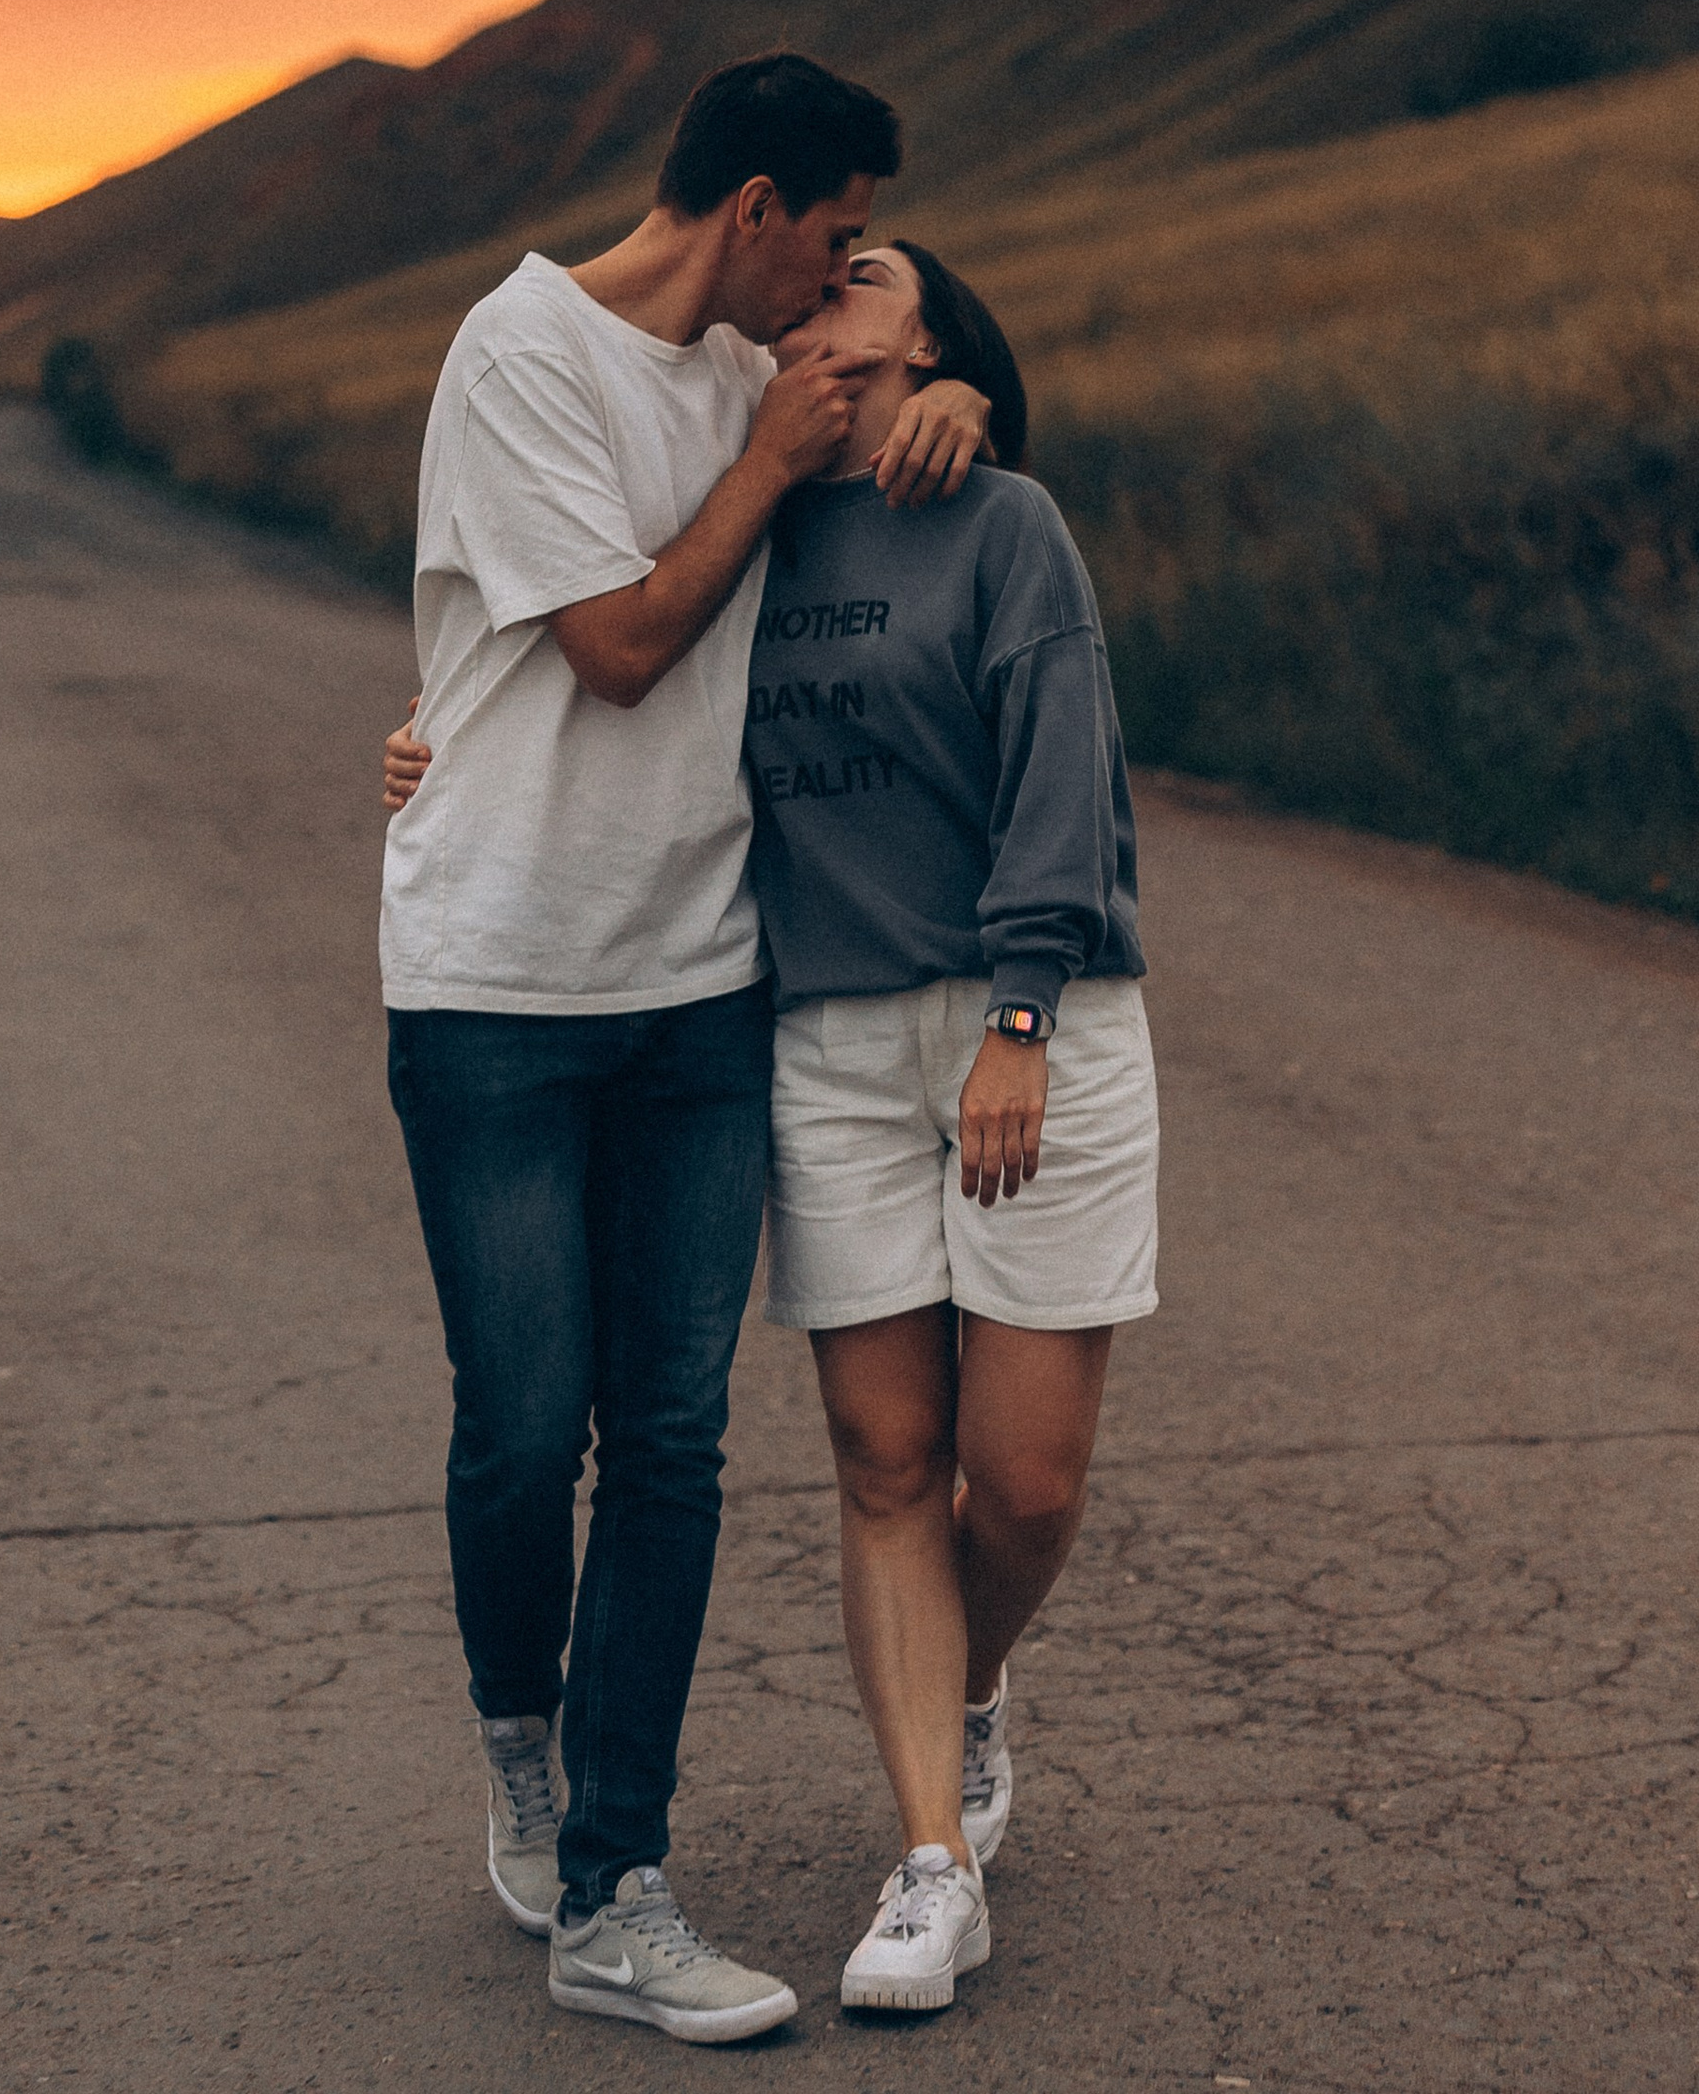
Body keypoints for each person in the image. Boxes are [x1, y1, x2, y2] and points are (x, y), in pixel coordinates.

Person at [389, 232, 1155, 2024]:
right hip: (816, 1033)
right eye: (815, 262)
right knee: (887, 1464)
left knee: (1023, 1483)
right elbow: (593, 642)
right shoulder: (760, 492)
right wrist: (442, 736)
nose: (811, 294)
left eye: (862, 279)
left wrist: (1020, 1016)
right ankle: (929, 1865)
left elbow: (1067, 781)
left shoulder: (1005, 519)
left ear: (937, 340)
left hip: (1018, 1025)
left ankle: (966, 1693)